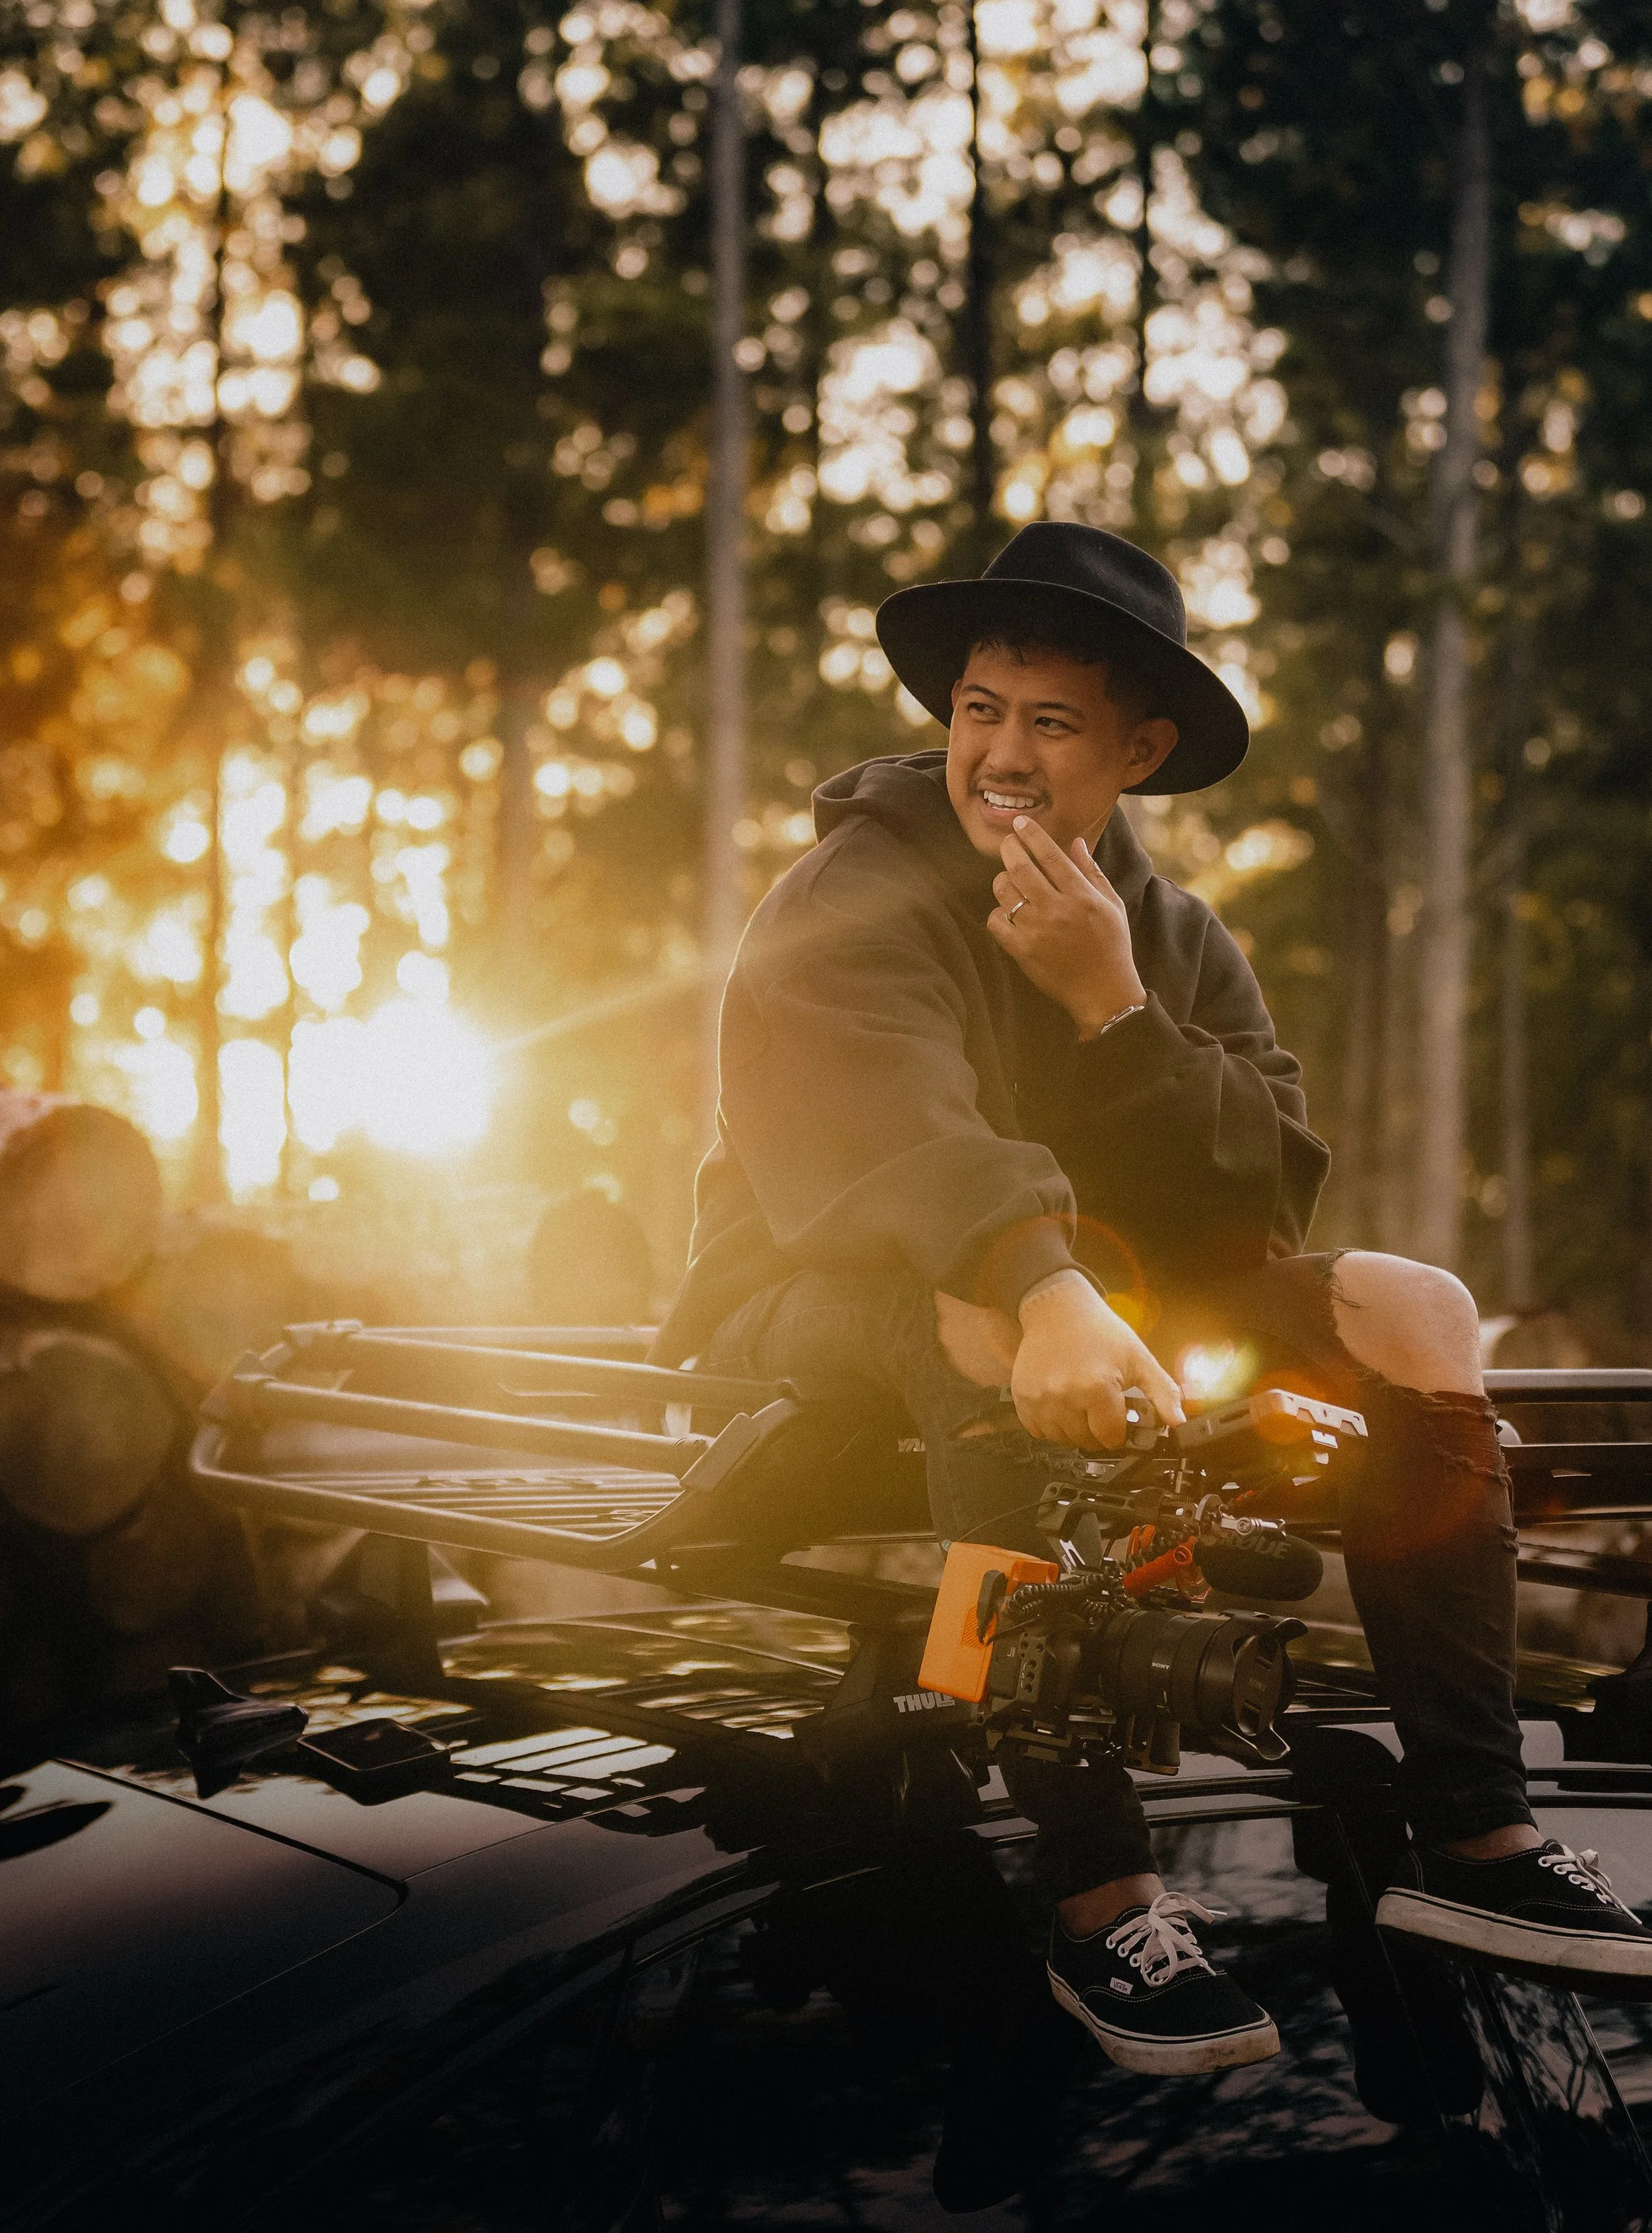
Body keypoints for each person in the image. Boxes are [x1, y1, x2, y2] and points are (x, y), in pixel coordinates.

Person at [658, 521, 1652, 2077]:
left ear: (1138, 748)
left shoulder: (1169, 936)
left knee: (1417, 1307)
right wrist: (1041, 1281)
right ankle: (1100, 1895)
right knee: (986, 1316)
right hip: (807, 1288)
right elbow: (892, 1136)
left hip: (1095, 1301)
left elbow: (1255, 1192)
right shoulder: (846, 890)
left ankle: (1473, 1835)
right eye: (979, 706)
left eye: (1048, 723)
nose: (997, 750)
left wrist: (1110, 1009)